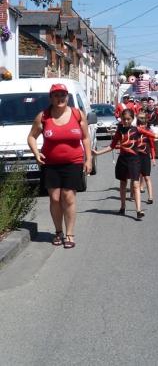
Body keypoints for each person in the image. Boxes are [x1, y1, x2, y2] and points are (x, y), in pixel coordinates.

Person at [27, 83, 92, 249]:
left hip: (73, 162)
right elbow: (31, 137)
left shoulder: (78, 115)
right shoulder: (44, 116)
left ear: (67, 97)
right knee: (55, 198)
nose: (60, 98)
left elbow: (85, 137)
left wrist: (88, 159)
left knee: (68, 196)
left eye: (63, 95)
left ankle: (69, 233)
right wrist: (36, 153)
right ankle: (58, 232)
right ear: (51, 98)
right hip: (51, 164)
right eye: (56, 95)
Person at [93, 109, 158, 219]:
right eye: (124, 119)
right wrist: (97, 153)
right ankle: (123, 206)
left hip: (134, 160)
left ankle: (138, 210)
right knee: (123, 183)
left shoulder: (137, 129)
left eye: (128, 119)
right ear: (121, 119)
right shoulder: (119, 130)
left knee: (136, 184)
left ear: (132, 119)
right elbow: (111, 146)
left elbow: (153, 135)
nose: (126, 121)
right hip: (122, 159)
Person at [136, 112, 156, 204]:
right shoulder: (135, 132)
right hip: (135, 156)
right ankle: (133, 195)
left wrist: (153, 158)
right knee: (135, 177)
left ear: (146, 124)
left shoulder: (148, 132)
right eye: (140, 124)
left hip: (145, 156)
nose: (141, 126)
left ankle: (150, 197)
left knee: (147, 177)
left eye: (143, 124)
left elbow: (152, 146)